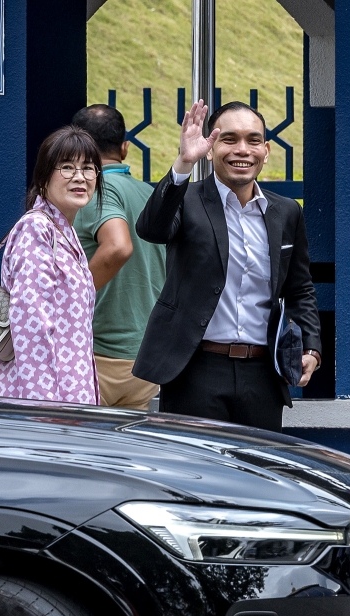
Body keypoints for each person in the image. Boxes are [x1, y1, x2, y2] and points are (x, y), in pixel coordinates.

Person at [133, 100, 322, 430]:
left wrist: (312, 347)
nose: (242, 150)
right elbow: (151, 229)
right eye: (229, 139)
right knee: (195, 475)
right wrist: (182, 164)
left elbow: (300, 288)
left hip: (263, 373)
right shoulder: (187, 199)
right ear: (210, 149)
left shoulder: (287, 211)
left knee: (257, 475)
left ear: (266, 150)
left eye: (252, 140)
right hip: (196, 370)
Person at [0, 126, 103, 404]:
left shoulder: (65, 232)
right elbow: (31, 324)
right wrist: (43, 407)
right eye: (67, 167)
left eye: (88, 168)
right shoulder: (36, 229)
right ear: (44, 176)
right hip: (41, 404)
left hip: (68, 399)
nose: (79, 177)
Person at [71, 104, 167, 411]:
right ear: (125, 149)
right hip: (147, 360)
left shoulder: (91, 190)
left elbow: (116, 247)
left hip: (100, 357)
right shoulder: (150, 194)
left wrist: (68, 298)